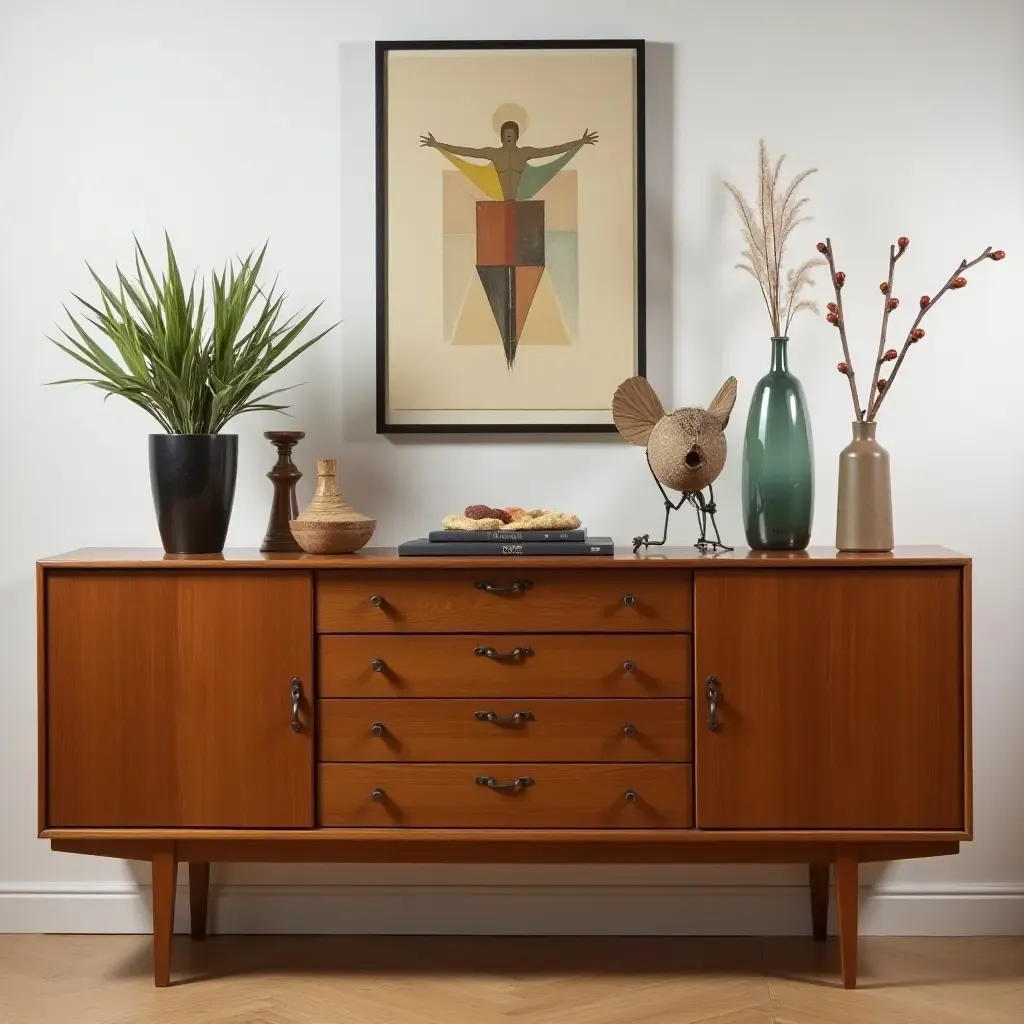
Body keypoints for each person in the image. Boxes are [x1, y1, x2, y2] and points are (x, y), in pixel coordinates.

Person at [420, 120, 598, 200]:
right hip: (499, 198)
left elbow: (551, 151)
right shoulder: (494, 153)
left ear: (517, 136)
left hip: (521, 198)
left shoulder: (524, 153)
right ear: (502, 137)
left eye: (511, 135)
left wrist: (579, 142)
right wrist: (438, 145)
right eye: (506, 135)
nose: (509, 138)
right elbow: (467, 152)